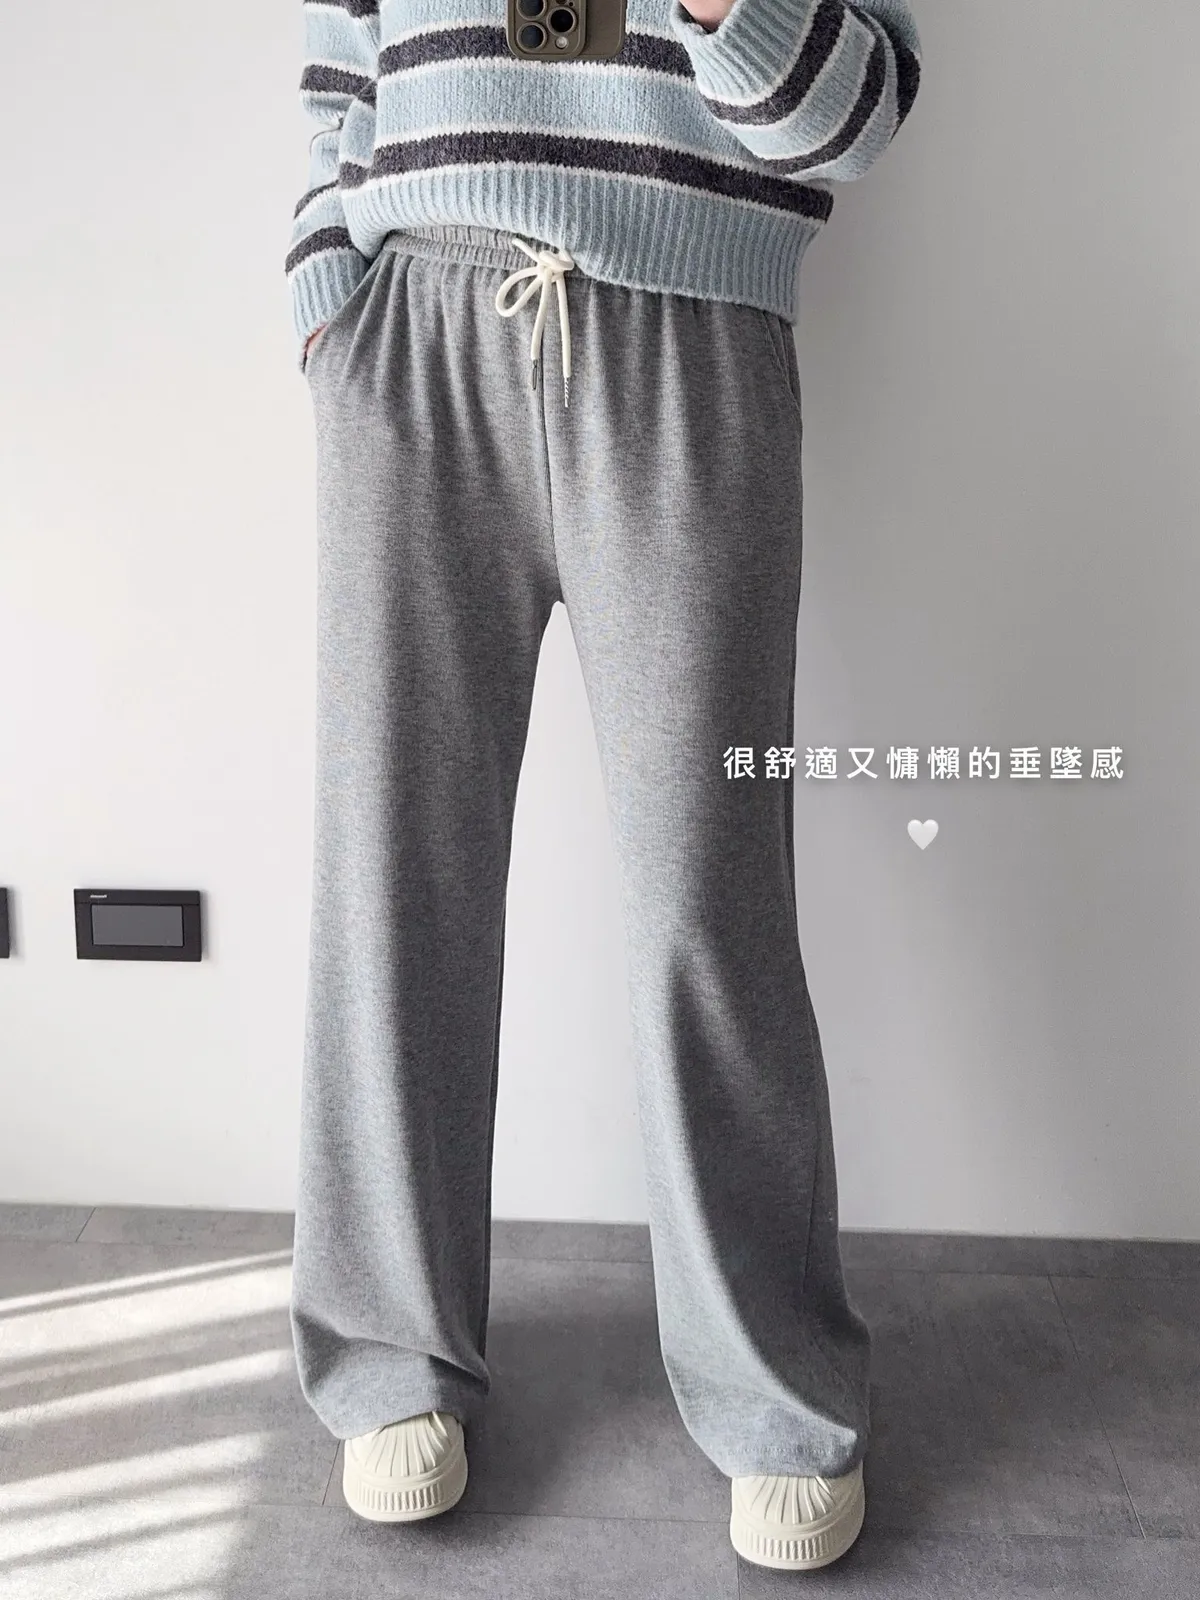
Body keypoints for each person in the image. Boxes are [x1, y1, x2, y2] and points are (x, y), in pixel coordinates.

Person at [285, 0, 921, 1572]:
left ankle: (775, 1393)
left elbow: (857, 114)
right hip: (417, 337)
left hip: (691, 338)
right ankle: (390, 1361)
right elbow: (340, 68)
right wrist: (328, 294)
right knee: (394, 877)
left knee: (709, 901)